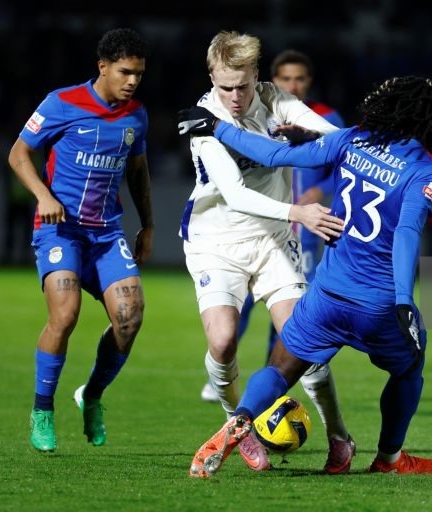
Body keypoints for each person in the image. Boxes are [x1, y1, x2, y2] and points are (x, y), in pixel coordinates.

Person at [178, 75, 432, 477]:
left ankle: (239, 420)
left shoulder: (353, 139)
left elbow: (274, 156)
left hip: (326, 295)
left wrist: (217, 127)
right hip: (377, 303)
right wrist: (403, 299)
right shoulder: (430, 172)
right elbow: (407, 233)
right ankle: (389, 460)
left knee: (280, 368)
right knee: (409, 368)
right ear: (430, 123)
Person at [179, 30, 354, 474]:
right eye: (225, 87)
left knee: (305, 345)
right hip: (216, 242)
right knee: (222, 342)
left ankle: (339, 437)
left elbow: (336, 136)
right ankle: (237, 427)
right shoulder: (203, 121)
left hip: (273, 241)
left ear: (257, 76)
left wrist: (305, 136)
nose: (235, 98)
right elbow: (235, 193)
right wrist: (300, 210)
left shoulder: (274, 98)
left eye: (242, 86)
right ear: (212, 77)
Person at [7, 28, 154, 452]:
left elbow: (138, 171)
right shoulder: (61, 103)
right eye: (125, 72)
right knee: (66, 314)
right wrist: (43, 195)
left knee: (129, 319)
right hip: (60, 229)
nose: (132, 81)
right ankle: (42, 411)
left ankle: (91, 395)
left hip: (107, 233)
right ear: (102, 66)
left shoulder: (136, 114)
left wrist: (148, 225)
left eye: (139, 74)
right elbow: (18, 153)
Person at [201, 49, 346, 401]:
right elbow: (252, 173)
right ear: (272, 80)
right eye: (285, 79)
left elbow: (346, 160)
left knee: (293, 320)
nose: (292, 85)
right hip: (255, 227)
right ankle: (244, 381)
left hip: (304, 229)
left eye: (299, 79)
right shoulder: (211, 117)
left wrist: (320, 191)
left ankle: (275, 379)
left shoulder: (322, 117)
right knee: (236, 319)